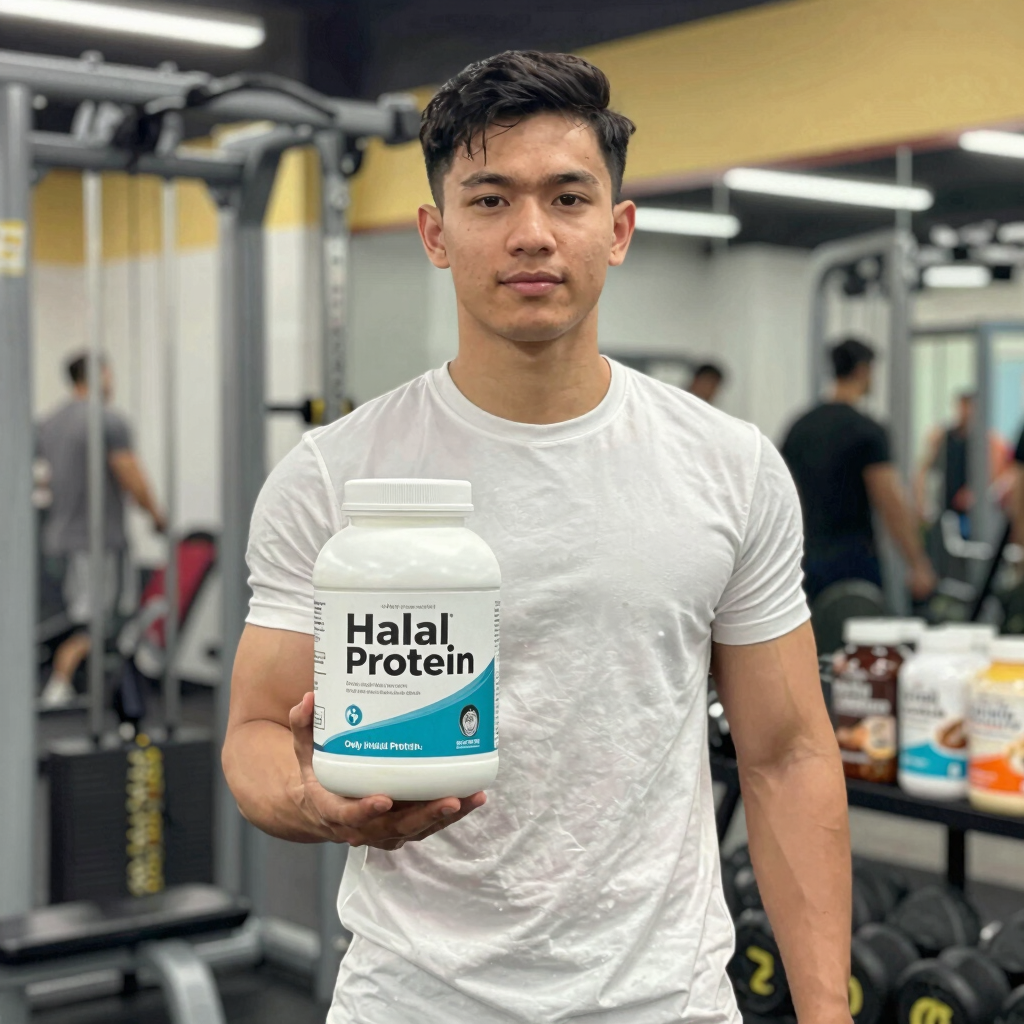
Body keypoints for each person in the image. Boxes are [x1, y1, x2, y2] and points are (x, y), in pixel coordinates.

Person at [224, 51, 852, 1024]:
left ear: (619, 227)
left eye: (567, 198)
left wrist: (826, 1012)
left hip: (662, 998)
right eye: (489, 201)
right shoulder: (332, 474)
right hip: (415, 998)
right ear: (436, 233)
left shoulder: (728, 465)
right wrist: (317, 805)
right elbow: (257, 732)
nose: (531, 235)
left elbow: (786, 755)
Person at [37, 353, 165, 708]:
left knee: (78, 616)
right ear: (99, 375)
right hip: (96, 543)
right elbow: (130, 474)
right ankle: (59, 687)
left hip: (55, 541)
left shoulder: (50, 423)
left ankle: (79, 684)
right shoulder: (107, 420)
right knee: (96, 622)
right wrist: (157, 515)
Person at [781, 337, 936, 604]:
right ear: (863, 370)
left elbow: (782, 494)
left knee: (809, 644)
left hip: (802, 561)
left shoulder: (799, 428)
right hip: (852, 561)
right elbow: (890, 503)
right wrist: (917, 563)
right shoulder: (867, 431)